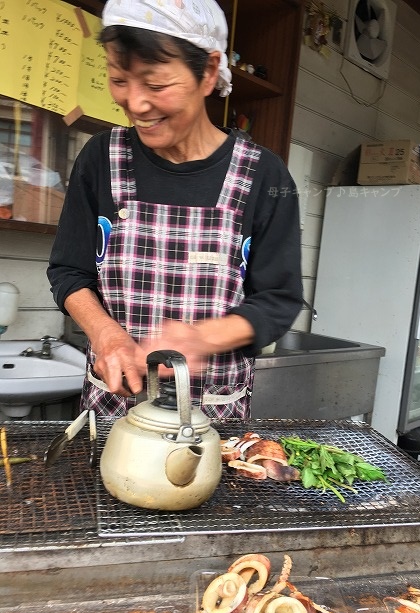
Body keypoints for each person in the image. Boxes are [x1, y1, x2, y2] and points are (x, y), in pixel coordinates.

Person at [47, 0, 303, 420]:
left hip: (210, 422)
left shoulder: (263, 174)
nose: (135, 103)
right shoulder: (101, 158)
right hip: (114, 411)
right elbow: (68, 272)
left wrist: (203, 338)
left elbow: (279, 299)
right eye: (118, 79)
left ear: (207, 71)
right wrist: (106, 334)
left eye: (156, 84)